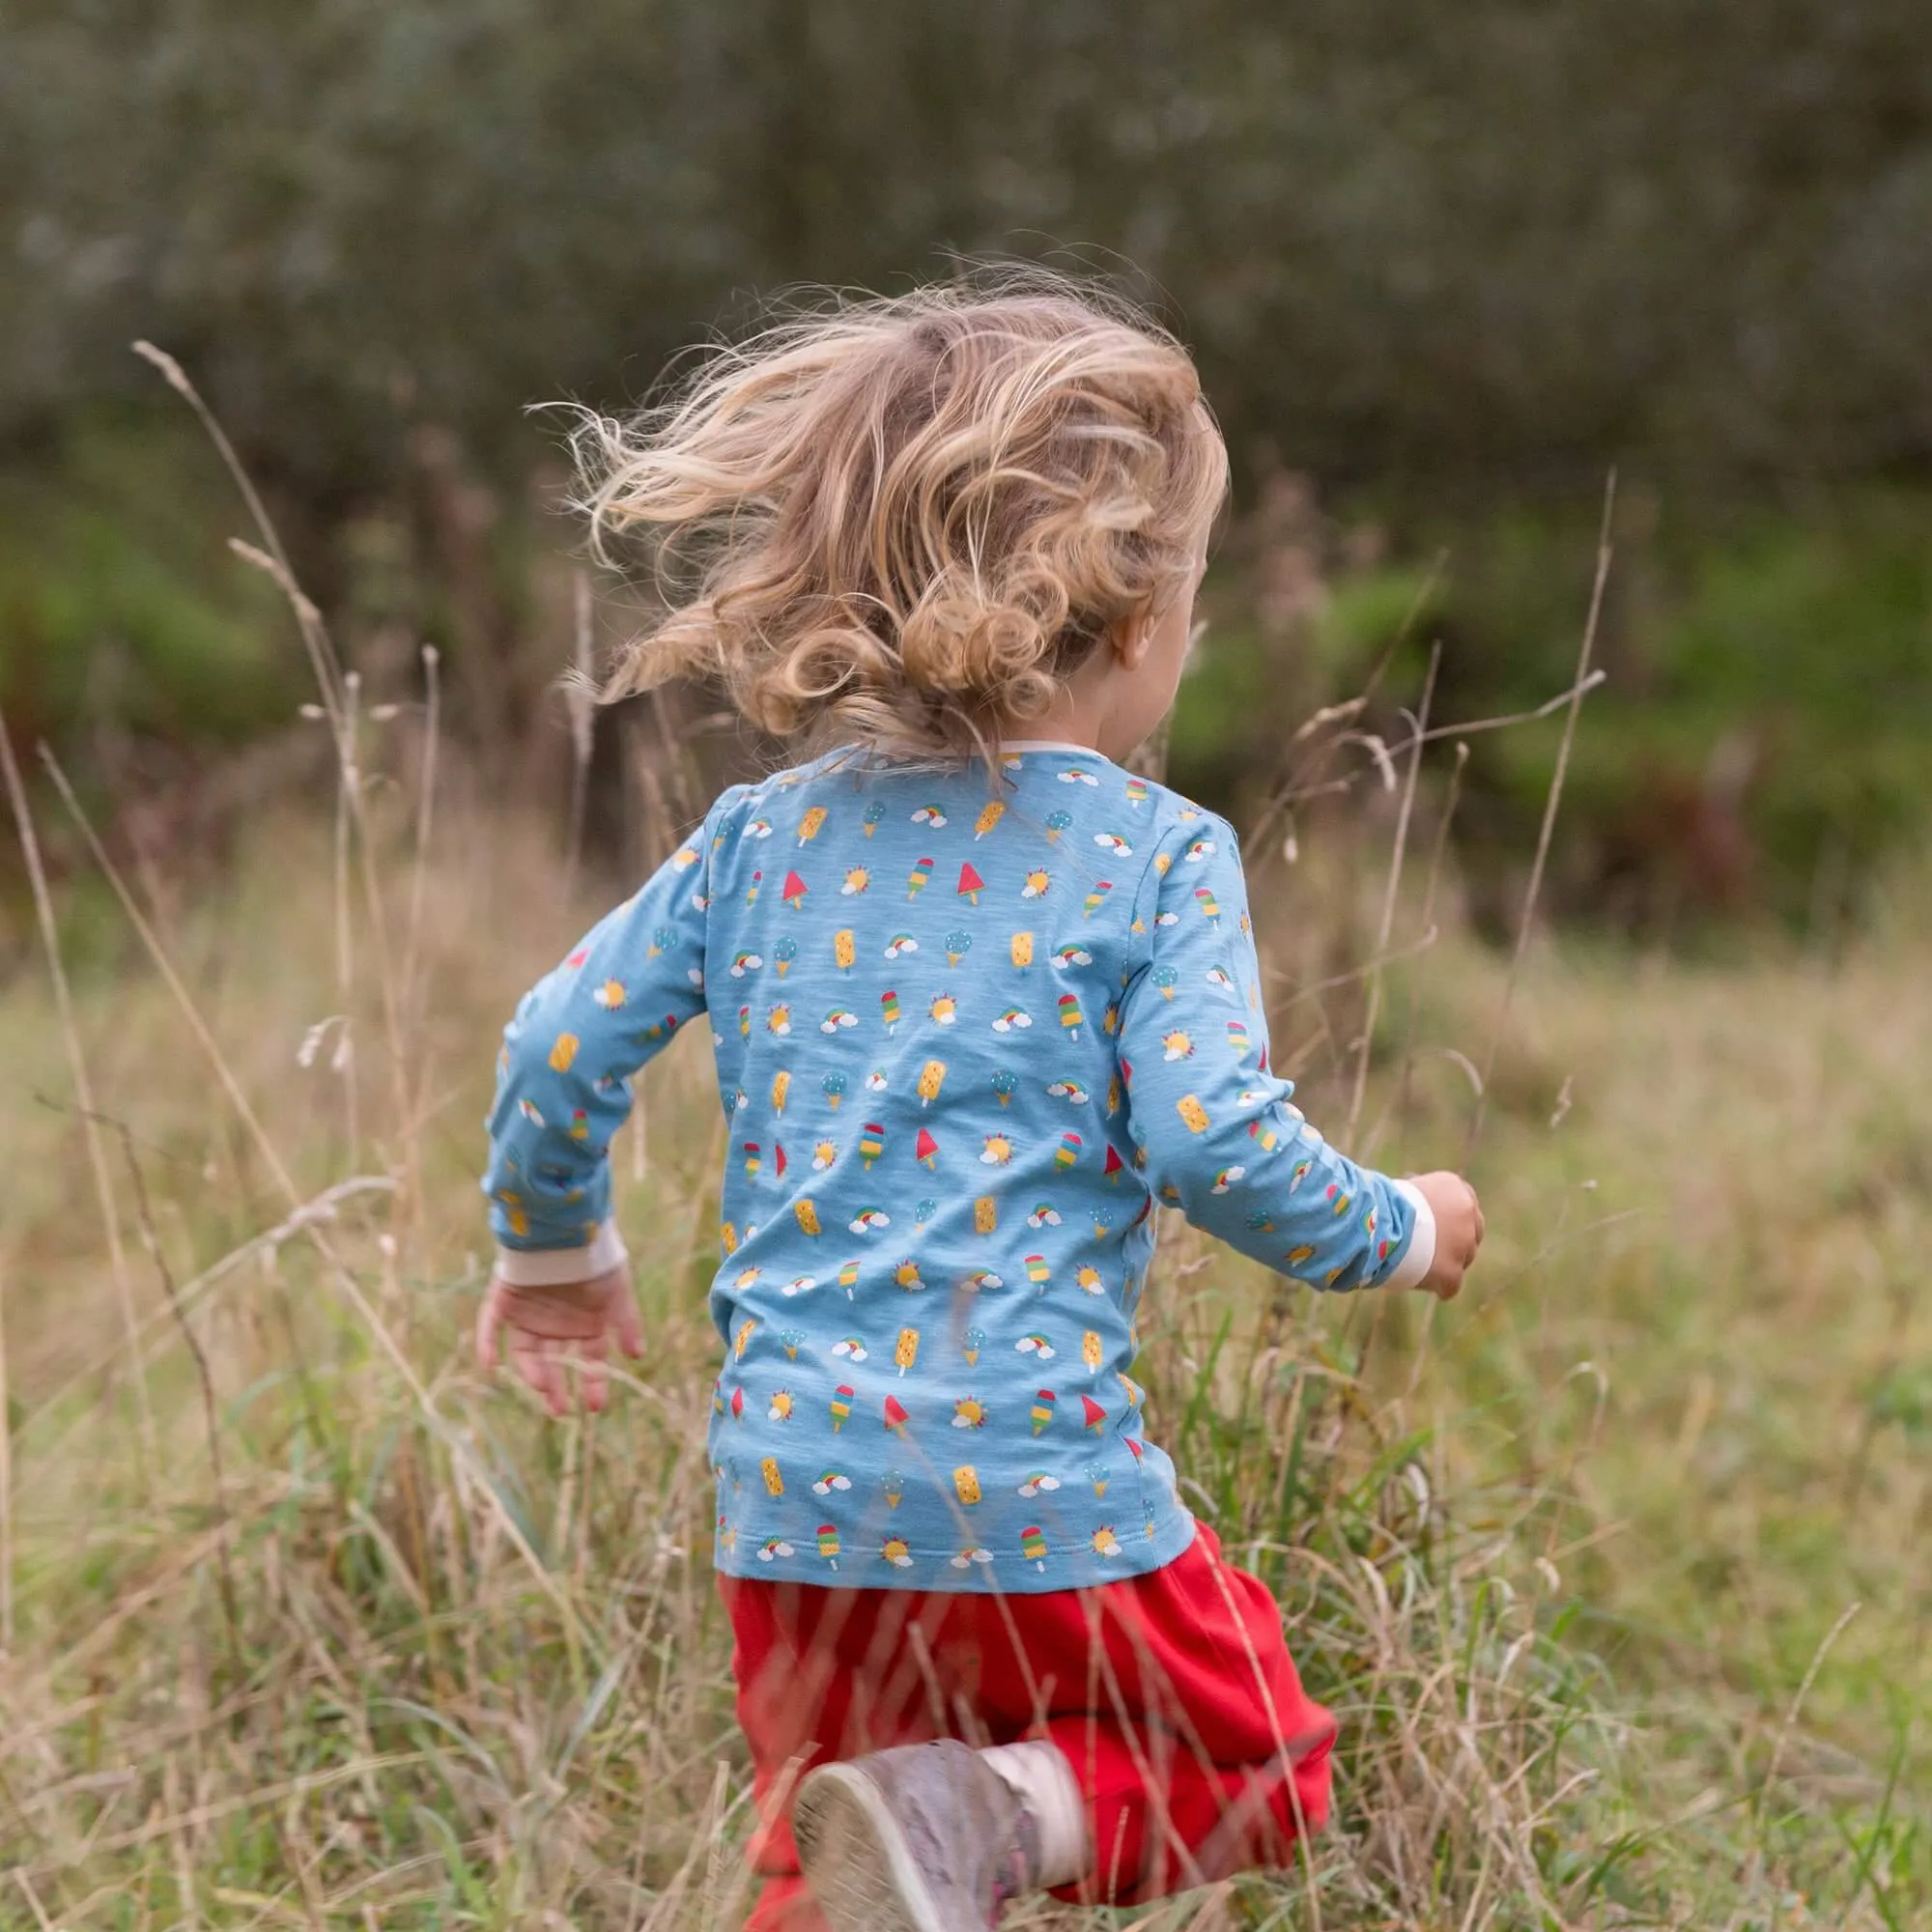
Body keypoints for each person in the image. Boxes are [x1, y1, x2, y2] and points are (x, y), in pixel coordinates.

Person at [476, 276, 1485, 1931]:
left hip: (791, 1497)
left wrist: (552, 1254)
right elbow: (1210, 1143)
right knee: (1259, 1771)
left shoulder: (758, 840)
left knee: (832, 1868)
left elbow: (551, 1052)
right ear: (1140, 615)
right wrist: (1403, 1229)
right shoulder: (1158, 856)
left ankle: (942, 1825)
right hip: (1044, 1494)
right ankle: (989, 1813)